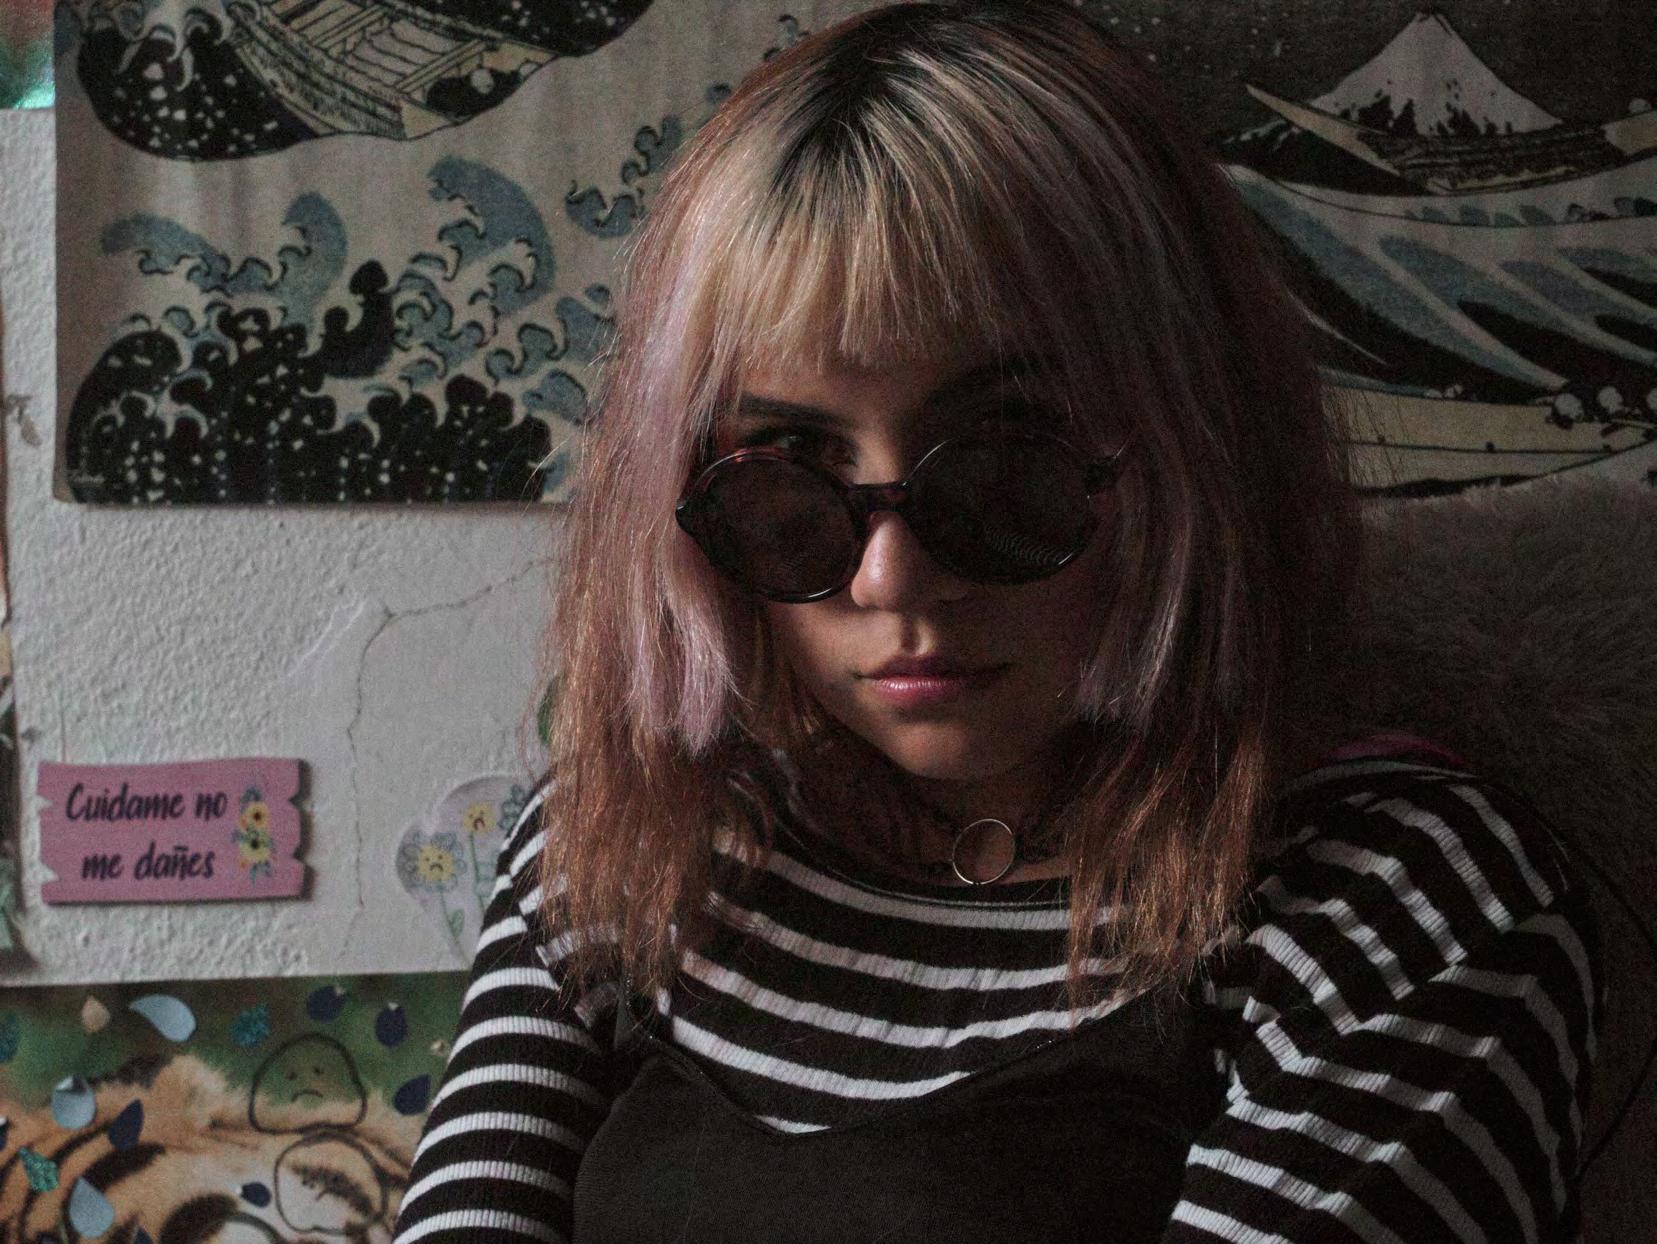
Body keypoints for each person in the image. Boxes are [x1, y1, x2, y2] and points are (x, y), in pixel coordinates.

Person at [389, 3, 1603, 1240]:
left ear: (1192, 444)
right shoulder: (620, 841)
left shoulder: (1398, 906)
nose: (892, 578)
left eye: (1005, 461)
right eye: (787, 471)